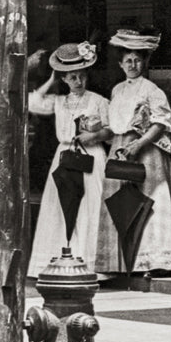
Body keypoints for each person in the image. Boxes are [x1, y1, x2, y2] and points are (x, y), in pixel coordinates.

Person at [95, 28, 171, 277]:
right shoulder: (118, 90)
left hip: (146, 152)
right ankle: (119, 263)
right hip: (120, 149)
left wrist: (138, 145)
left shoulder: (152, 90)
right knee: (119, 202)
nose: (133, 64)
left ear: (145, 61)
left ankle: (157, 261)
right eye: (128, 60)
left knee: (151, 201)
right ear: (120, 64)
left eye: (137, 60)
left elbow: (160, 123)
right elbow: (114, 123)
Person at [27, 41, 112, 278]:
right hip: (65, 155)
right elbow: (31, 102)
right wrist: (52, 80)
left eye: (81, 76)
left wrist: (93, 136)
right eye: (72, 77)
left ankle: (91, 264)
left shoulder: (98, 101)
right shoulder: (59, 102)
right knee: (60, 207)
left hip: (91, 157)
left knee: (90, 207)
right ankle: (60, 262)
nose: (78, 81)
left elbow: (111, 130)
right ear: (65, 79)